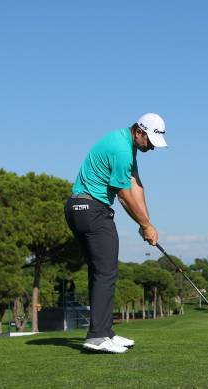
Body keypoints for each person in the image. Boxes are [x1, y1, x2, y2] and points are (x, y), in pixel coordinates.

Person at [64, 113, 167, 354]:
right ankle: (97, 336)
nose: (151, 147)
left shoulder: (124, 143)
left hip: (78, 209)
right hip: (92, 210)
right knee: (106, 272)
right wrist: (145, 226)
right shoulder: (122, 150)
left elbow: (136, 184)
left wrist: (147, 223)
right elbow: (123, 195)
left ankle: (105, 332)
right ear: (139, 131)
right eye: (150, 141)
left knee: (100, 272)